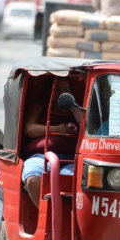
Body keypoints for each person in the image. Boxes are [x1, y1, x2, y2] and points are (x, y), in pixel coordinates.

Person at [22, 78, 79, 208]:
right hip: (40, 157)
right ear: (49, 92)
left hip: (72, 161)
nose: (61, 92)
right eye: (57, 89)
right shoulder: (39, 107)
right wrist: (56, 129)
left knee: (80, 183)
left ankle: (68, 221)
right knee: (33, 179)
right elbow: (28, 129)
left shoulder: (78, 112)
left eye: (66, 90)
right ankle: (46, 216)